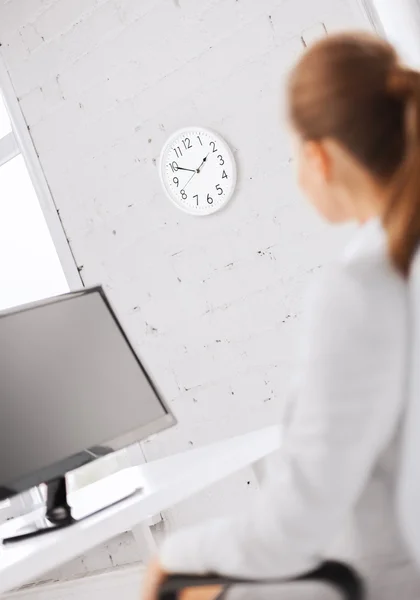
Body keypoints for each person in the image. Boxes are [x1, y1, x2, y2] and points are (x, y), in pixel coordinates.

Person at [142, 32, 420, 600]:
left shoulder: (362, 290)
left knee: (177, 585)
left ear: (317, 157)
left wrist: (170, 554)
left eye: (293, 150)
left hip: (378, 577)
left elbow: (289, 533)